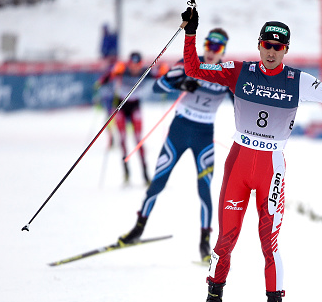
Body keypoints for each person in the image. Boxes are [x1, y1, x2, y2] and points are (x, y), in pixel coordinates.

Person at [180, 7, 322, 302]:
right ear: (259, 45)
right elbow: (193, 67)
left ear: (286, 50)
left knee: (269, 243)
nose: (272, 52)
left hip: (271, 166)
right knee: (225, 240)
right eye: (267, 45)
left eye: (279, 47)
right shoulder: (239, 71)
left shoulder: (298, 80)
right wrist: (191, 33)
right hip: (239, 162)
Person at [118, 29, 233, 264]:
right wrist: (181, 82)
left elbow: (240, 101)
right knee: (158, 181)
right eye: (209, 45)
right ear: (204, 45)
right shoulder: (190, 64)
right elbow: (158, 87)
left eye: (218, 48)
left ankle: (204, 243)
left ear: (223, 51)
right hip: (179, 131)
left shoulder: (227, 72)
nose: (211, 52)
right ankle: (138, 229)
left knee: (204, 189)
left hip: (204, 135)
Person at [97, 51, 151, 184]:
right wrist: (113, 73)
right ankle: (126, 172)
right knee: (123, 139)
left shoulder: (146, 72)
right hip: (121, 106)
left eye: (137, 65)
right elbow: (102, 82)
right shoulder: (122, 70)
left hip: (135, 107)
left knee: (138, 140)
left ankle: (145, 174)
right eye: (132, 65)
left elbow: (163, 75)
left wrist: (163, 70)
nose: (135, 68)